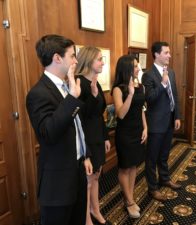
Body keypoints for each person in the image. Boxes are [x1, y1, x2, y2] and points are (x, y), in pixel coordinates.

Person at [26, 34, 93, 225]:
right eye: (72, 56)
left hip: (77, 171)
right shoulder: (38, 93)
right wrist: (72, 98)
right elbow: (48, 133)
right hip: (57, 183)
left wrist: (85, 155)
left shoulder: (66, 86)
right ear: (57, 58)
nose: (76, 60)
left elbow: (77, 126)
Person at [75, 46, 111, 225]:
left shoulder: (96, 82)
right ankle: (86, 218)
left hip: (97, 136)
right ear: (89, 61)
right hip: (85, 140)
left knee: (96, 175)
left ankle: (95, 210)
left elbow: (99, 114)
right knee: (88, 181)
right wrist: (93, 96)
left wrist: (105, 137)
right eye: (99, 59)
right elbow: (80, 116)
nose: (103, 62)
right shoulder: (79, 82)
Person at [142, 41, 181, 202]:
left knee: (164, 154)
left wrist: (177, 116)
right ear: (157, 54)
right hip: (156, 123)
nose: (169, 56)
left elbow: (175, 95)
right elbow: (149, 98)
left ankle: (164, 178)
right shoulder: (148, 75)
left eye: (169, 52)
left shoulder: (171, 72)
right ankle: (153, 188)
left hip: (170, 121)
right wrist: (163, 84)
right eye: (166, 53)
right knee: (152, 158)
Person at [112, 55, 147, 218]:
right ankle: (130, 202)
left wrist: (145, 127)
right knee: (125, 167)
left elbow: (141, 109)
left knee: (134, 166)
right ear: (127, 68)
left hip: (138, 130)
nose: (138, 68)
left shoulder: (140, 86)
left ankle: (129, 198)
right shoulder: (118, 89)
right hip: (125, 134)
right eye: (135, 66)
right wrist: (131, 94)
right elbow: (120, 114)